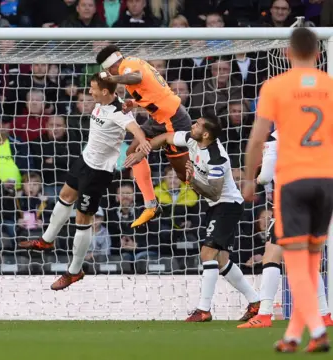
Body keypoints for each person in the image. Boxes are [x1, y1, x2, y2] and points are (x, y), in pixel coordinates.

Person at [243, 27, 333, 353]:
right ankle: (293, 336)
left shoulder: (275, 86)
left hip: (293, 182)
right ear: (319, 55)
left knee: (294, 262)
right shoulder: (330, 86)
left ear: (287, 53)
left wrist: (249, 179)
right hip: (326, 181)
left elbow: (257, 139)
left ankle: (319, 331)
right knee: (311, 262)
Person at [18, 73, 151, 290]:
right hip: (85, 160)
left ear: (105, 92)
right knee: (64, 197)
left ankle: (74, 271)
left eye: (93, 88)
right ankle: (46, 239)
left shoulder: (120, 113)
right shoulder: (108, 103)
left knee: (82, 219)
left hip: (98, 172)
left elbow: (137, 129)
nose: (89, 91)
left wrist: (141, 145)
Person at [127, 115, 260, 322]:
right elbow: (165, 138)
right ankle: (255, 302)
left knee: (207, 254)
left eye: (197, 124)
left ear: (206, 134)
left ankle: (203, 310)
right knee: (222, 261)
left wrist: (191, 182)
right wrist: (142, 152)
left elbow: (214, 193)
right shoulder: (192, 138)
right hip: (216, 206)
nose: (193, 125)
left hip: (227, 205)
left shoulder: (217, 158)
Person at [238, 130, 333, 329]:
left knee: (271, 256)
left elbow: (265, 177)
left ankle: (264, 314)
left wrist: (256, 178)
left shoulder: (277, 136)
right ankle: (324, 315)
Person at [95, 45, 193, 228]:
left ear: (110, 67)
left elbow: (136, 78)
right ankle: (151, 206)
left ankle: (212, 180)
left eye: (109, 71)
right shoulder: (132, 63)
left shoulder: (127, 65)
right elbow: (150, 91)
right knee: (132, 154)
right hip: (159, 119)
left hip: (173, 120)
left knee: (184, 175)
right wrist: (132, 103)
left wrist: (112, 78)